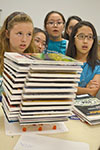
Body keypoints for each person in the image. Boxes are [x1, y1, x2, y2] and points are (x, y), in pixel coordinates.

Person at [0, 11, 37, 101]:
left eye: (29, 34)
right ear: (7, 34)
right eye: (19, 33)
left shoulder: (34, 59)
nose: (24, 39)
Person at [66, 21, 100, 96]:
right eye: (81, 36)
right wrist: (86, 89)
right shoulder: (65, 63)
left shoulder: (97, 66)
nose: (85, 41)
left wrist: (75, 89)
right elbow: (64, 89)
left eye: (90, 37)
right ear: (73, 39)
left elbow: (93, 92)